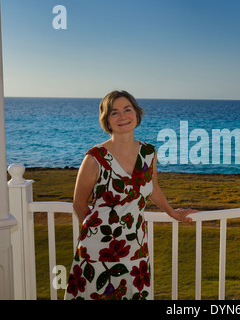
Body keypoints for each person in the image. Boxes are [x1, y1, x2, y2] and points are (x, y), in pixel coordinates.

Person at [65, 90, 196, 300]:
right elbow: (79, 205)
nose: (123, 116)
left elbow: (152, 188)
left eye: (128, 109)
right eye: (114, 112)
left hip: (136, 247)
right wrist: (95, 237)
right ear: (107, 121)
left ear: (136, 113)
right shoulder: (95, 158)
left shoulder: (148, 153)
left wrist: (173, 213)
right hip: (98, 251)